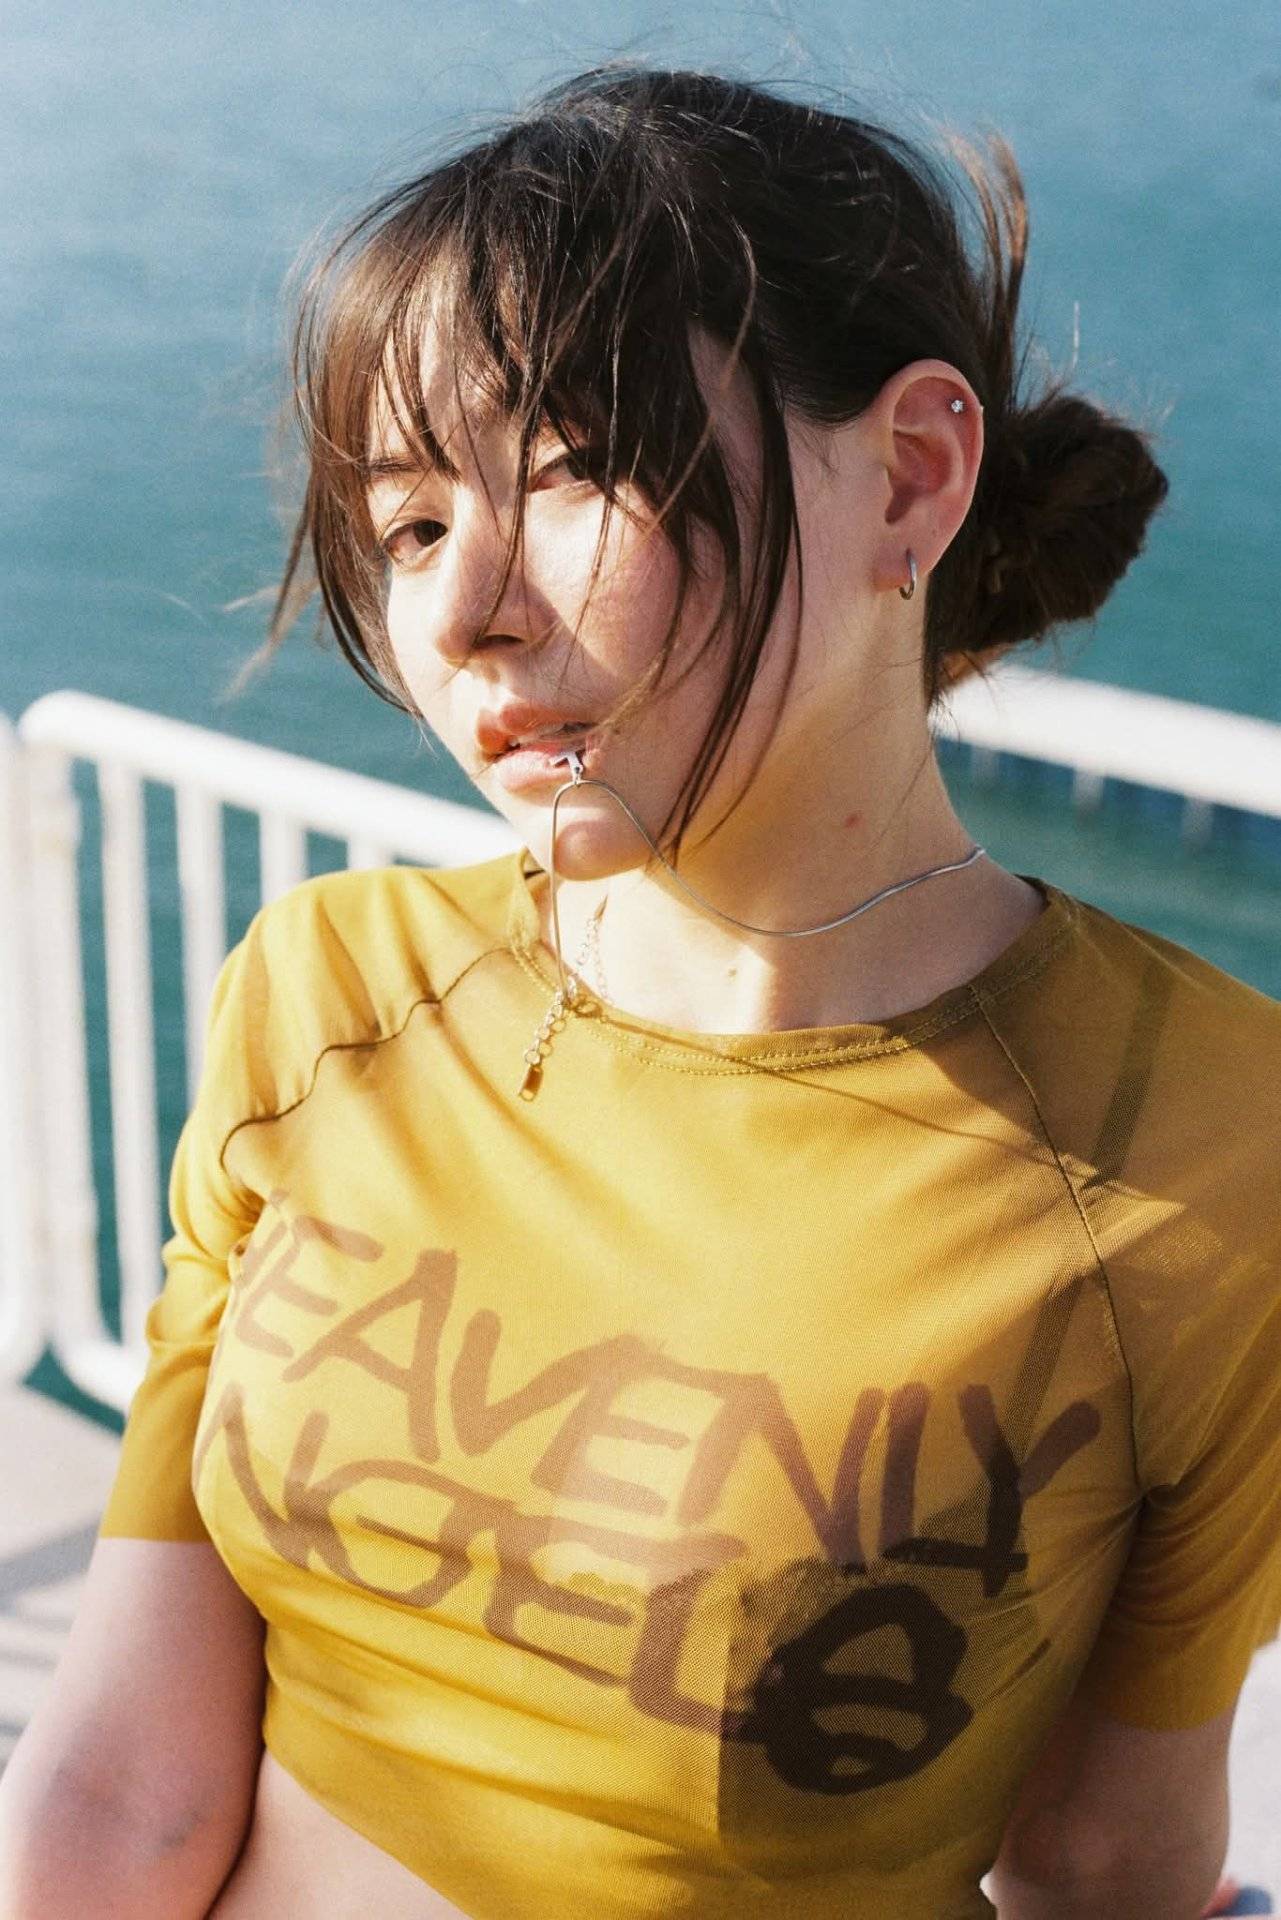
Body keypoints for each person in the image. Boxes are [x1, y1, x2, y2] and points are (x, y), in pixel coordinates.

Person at [0, 62, 1277, 1920]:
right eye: (410, 524)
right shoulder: (328, 990)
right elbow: (123, 1782)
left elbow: (1101, 1865)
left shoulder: (1197, 1143)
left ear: (909, 475)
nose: (463, 616)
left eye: (573, 468)